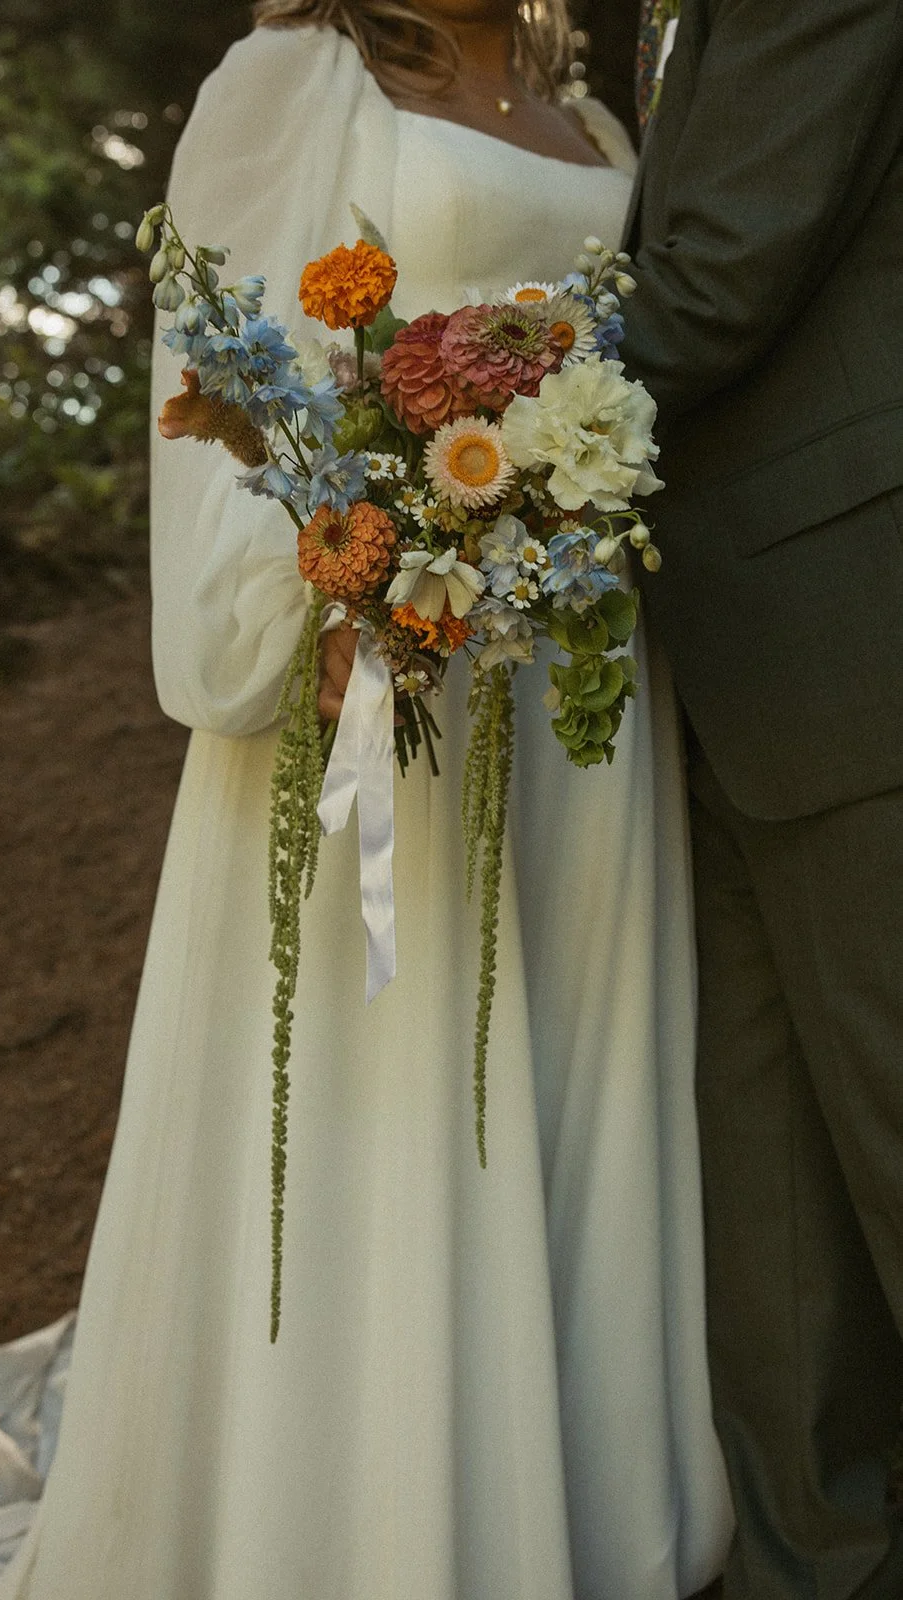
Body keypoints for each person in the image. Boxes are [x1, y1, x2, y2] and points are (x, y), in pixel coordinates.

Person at [0, 5, 732, 1598]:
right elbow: (221, 380)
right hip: (384, 673)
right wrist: (325, 612)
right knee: (389, 1098)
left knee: (565, 1084)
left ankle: (558, 1506)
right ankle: (356, 1516)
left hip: (582, 701)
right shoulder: (297, 78)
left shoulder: (582, 105)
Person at [619, 1, 903, 1596]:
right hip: (732, 653)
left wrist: (436, 409)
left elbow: (718, 276)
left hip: (856, 634)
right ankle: (821, 1567)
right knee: (772, 1203)